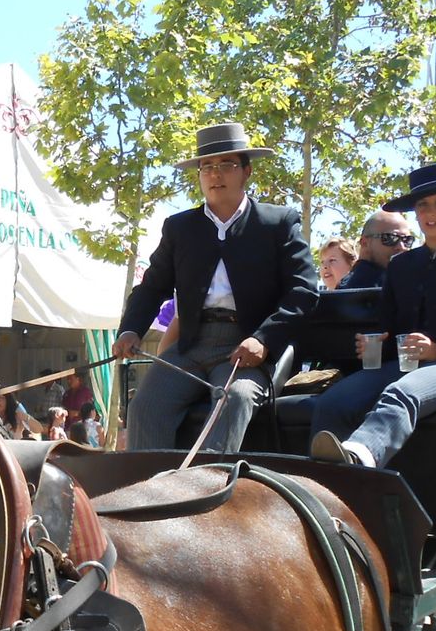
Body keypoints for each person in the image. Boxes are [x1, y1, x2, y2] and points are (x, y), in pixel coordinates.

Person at [113, 121, 316, 453]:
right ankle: (148, 496)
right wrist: (130, 330)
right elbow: (152, 287)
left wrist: (263, 339)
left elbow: (304, 291)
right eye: (206, 166)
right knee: (144, 407)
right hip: (190, 345)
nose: (215, 174)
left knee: (233, 399)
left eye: (226, 165)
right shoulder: (180, 228)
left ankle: (208, 494)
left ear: (246, 171)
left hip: (247, 348)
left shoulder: (278, 222)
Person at [309, 161, 436, 469]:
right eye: (423, 205)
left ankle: (358, 458)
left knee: (401, 392)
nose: (430, 213)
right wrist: (377, 344)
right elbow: (392, 330)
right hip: (407, 365)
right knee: (333, 402)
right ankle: (319, 491)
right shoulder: (402, 265)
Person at [337, 211, 418, 290]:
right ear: (365, 243)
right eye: (390, 238)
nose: (401, 247)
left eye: (407, 240)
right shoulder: (366, 285)